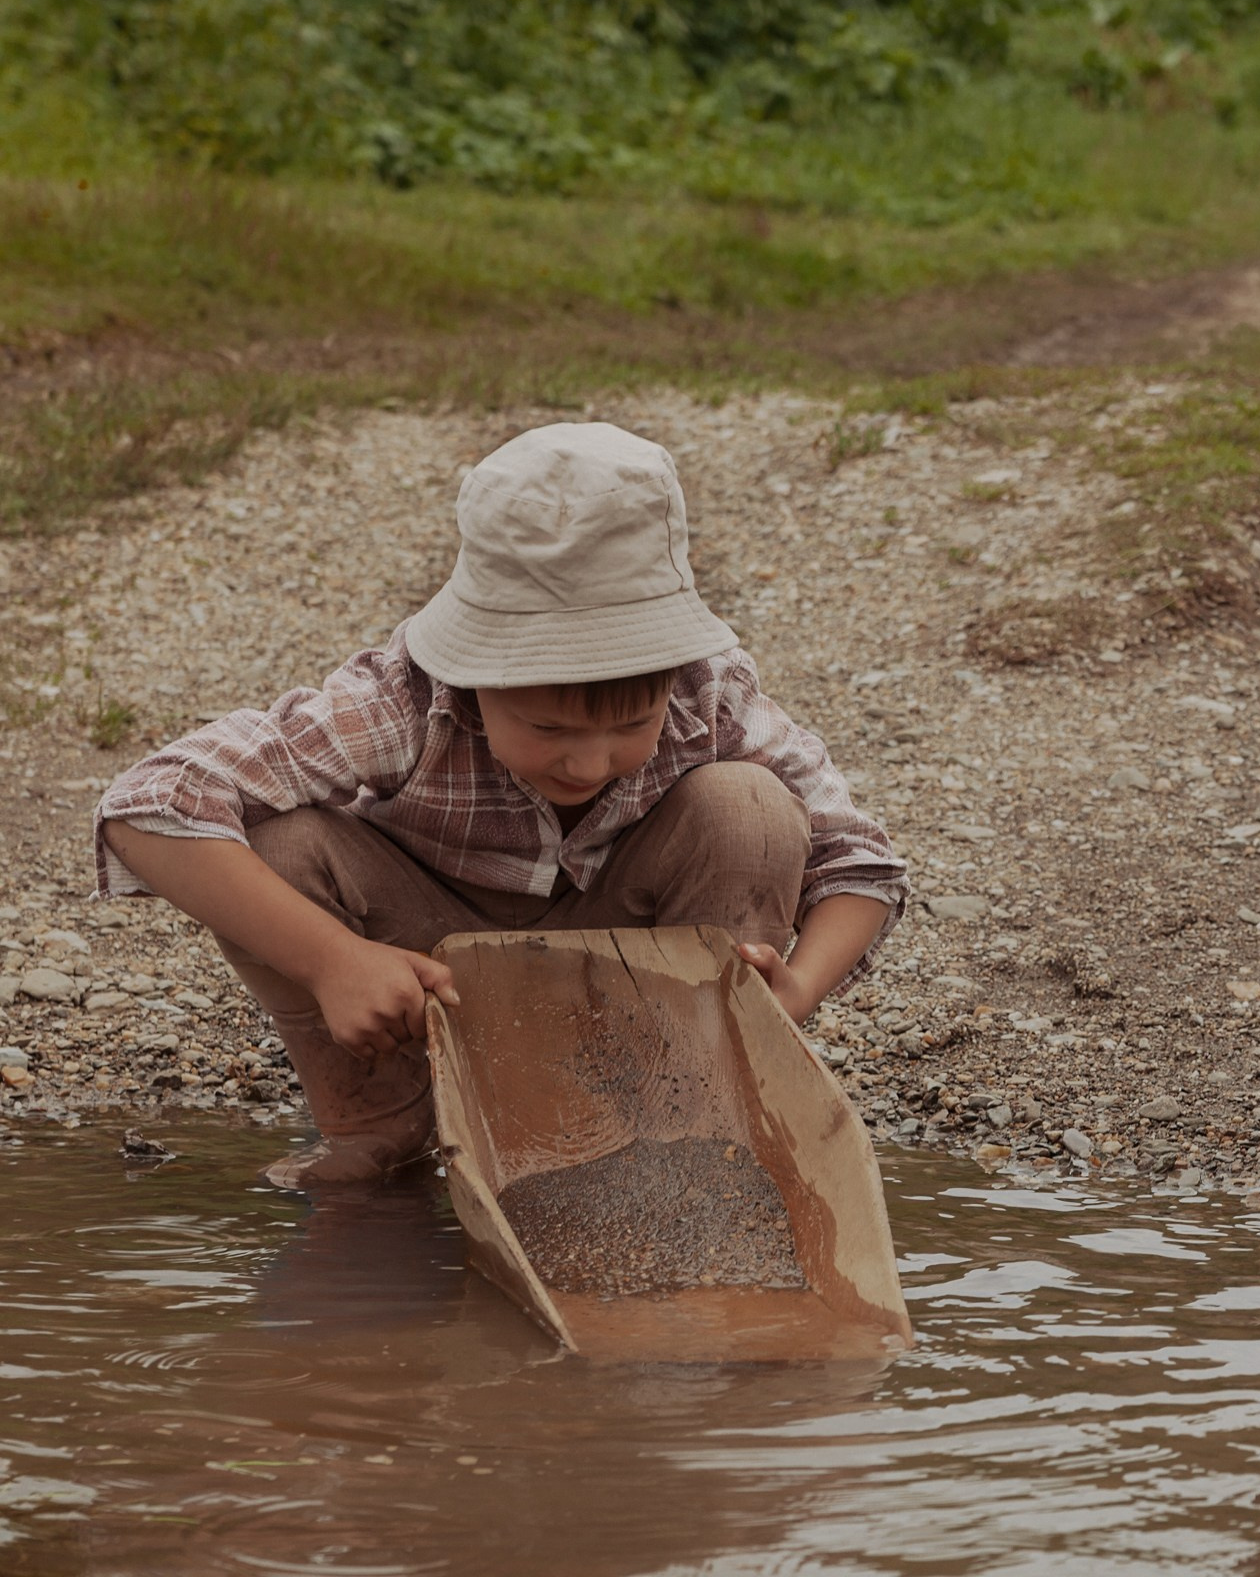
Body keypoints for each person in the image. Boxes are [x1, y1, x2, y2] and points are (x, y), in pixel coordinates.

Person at [94, 422, 906, 1189]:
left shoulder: (708, 691)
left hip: (632, 981)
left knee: (751, 808)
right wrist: (333, 962)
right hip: (431, 979)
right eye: (548, 727)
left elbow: (859, 862)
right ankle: (379, 1121)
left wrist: (794, 994)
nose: (589, 762)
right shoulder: (403, 700)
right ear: (475, 676)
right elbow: (148, 805)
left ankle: (690, 1117)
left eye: (632, 726)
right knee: (282, 844)